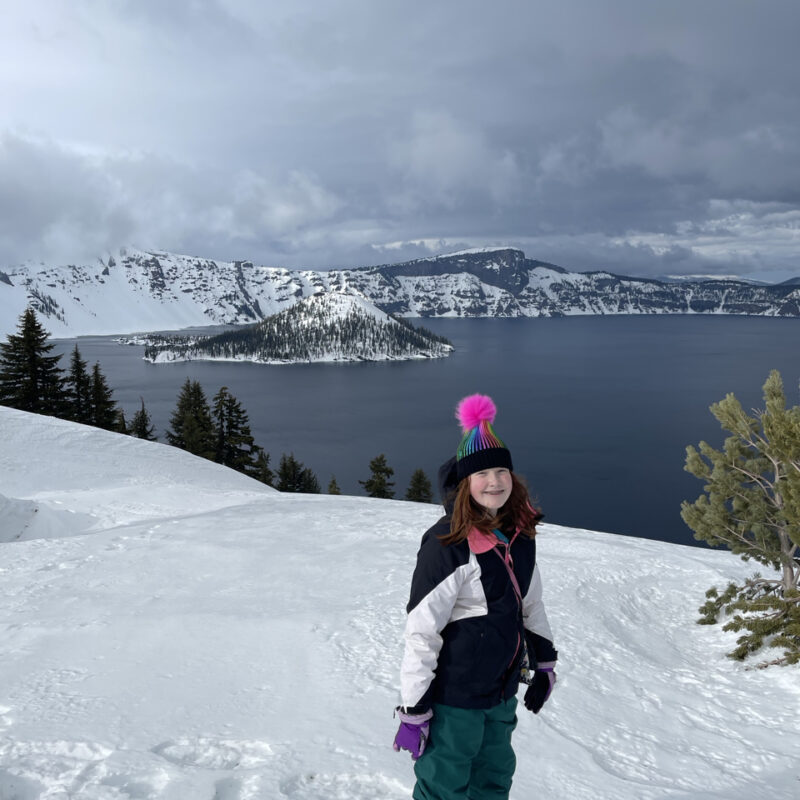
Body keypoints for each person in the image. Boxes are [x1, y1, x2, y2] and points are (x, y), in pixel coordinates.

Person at [393, 393, 558, 800]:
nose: (495, 481)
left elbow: (529, 603)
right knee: (445, 787)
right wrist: (414, 709)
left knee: (494, 780)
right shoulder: (446, 544)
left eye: (502, 470)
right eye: (483, 473)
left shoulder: (520, 538)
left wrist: (545, 663)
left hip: (500, 694)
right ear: (465, 483)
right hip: (455, 698)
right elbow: (422, 631)